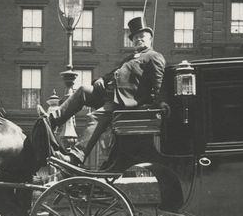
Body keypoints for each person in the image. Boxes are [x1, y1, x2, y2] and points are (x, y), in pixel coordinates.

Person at [42, 16, 167, 166]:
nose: (138, 40)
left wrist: (159, 103)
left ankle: (75, 156)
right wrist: (101, 80)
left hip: (125, 102)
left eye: (142, 37)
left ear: (150, 39)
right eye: (135, 38)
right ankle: (51, 120)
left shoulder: (154, 57)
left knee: (95, 117)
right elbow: (113, 73)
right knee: (83, 90)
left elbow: (160, 82)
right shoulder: (129, 58)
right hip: (111, 95)